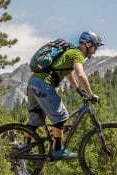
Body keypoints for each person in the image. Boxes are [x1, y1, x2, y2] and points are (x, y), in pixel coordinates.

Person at [26, 30, 102, 160]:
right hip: (44, 84)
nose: (94, 52)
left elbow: (68, 73)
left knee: (35, 118)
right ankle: (57, 150)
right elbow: (80, 74)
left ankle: (25, 148)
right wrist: (91, 94)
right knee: (61, 116)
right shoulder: (77, 54)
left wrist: (77, 88)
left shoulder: (69, 52)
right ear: (88, 44)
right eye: (95, 47)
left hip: (33, 82)